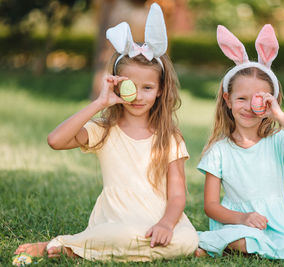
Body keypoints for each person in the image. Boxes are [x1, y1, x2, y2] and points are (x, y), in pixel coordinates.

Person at [14, 3, 198, 262]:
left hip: (159, 220)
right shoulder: (104, 129)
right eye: (129, 86)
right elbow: (55, 141)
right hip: (117, 221)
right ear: (116, 86)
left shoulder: (170, 136)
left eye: (147, 87)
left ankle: (93, 249)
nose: (138, 96)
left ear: (160, 90)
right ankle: (63, 244)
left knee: (188, 240)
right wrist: (100, 103)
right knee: (121, 234)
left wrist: (167, 225)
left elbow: (178, 194)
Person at [194, 25, 284, 259]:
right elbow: (210, 206)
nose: (250, 107)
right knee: (242, 238)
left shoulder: (277, 142)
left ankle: (210, 245)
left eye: (259, 100)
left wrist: (280, 116)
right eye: (241, 98)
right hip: (234, 224)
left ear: (271, 101)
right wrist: (243, 218)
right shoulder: (219, 150)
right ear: (227, 100)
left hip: (274, 226)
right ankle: (222, 241)